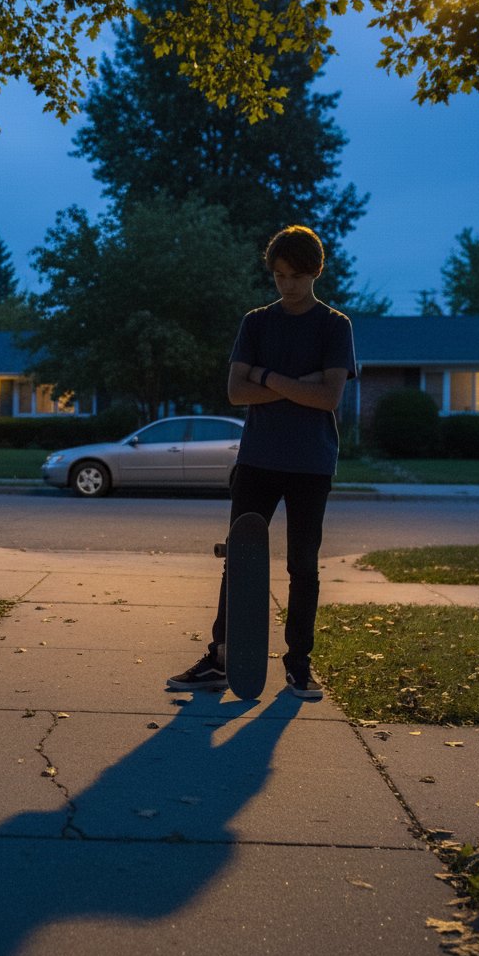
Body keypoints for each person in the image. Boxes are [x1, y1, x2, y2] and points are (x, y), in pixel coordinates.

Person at [167, 224, 356, 700]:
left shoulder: (335, 326)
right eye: (279, 275)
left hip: (311, 462)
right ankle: (221, 658)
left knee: (303, 566)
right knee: (240, 561)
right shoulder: (256, 322)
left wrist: (265, 376)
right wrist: (297, 383)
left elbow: (328, 398)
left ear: (315, 272)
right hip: (257, 459)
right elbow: (236, 392)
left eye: (296, 276)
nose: (287, 285)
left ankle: (299, 666)